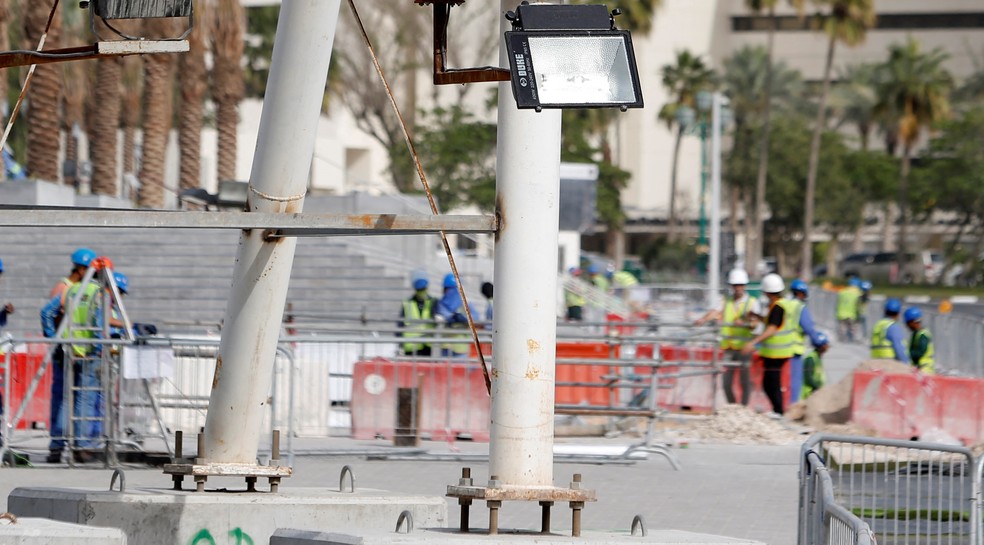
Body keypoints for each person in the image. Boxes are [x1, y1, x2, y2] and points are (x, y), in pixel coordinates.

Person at [41, 247, 96, 463]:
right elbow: (48, 313)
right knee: (66, 397)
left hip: (71, 348)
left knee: (69, 398)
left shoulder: (77, 288)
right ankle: (62, 445)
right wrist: (53, 338)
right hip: (67, 350)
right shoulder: (66, 288)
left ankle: (64, 445)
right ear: (82, 269)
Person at [695, 268, 760, 406]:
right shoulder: (725, 300)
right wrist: (703, 319)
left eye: (740, 285)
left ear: (745, 285)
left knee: (744, 381)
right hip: (729, 348)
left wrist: (744, 324)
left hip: (744, 349)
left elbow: (755, 324)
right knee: (726, 383)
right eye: (735, 285)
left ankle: (743, 409)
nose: (738, 288)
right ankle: (732, 408)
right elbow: (715, 312)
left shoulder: (752, 303)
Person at [741, 273, 797, 416]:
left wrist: (753, 343)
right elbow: (771, 321)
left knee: (771, 384)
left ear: (767, 291)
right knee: (771, 383)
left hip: (776, 352)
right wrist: (758, 316)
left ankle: (778, 412)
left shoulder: (778, 307)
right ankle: (777, 411)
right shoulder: (780, 304)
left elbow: (772, 328)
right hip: (779, 351)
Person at [787, 279, 827, 404]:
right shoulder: (800, 308)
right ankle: (792, 407)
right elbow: (809, 328)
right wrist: (819, 342)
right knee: (795, 381)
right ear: (802, 294)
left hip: (780, 348)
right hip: (794, 351)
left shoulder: (785, 305)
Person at [435, 273, 477, 358]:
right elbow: (441, 315)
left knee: (459, 370)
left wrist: (464, 318)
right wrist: (452, 317)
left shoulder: (465, 302)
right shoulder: (441, 303)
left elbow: (475, 317)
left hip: (460, 347)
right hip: (447, 347)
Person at [397, 275, 437, 357]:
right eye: (419, 290)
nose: (421, 292)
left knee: (426, 369)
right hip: (411, 345)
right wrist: (400, 343)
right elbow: (400, 324)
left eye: (423, 289)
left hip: (427, 345)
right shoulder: (407, 303)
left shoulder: (433, 302)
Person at [869, 298, 909, 363]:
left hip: (875, 361)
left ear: (885, 311)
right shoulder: (893, 327)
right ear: (898, 314)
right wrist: (906, 364)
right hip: (889, 362)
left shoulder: (878, 325)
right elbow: (899, 348)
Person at [903, 307, 934, 374]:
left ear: (912, 322)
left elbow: (920, 352)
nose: (907, 326)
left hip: (924, 369)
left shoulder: (923, 335)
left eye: (908, 323)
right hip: (918, 369)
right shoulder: (916, 334)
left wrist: (906, 354)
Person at [801, 332, 830, 399]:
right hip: (808, 394)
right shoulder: (810, 359)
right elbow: (808, 378)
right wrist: (818, 388)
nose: (827, 346)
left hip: (815, 393)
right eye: (826, 344)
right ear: (821, 345)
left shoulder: (817, 357)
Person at [835, 277, 863, 343]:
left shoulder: (842, 291)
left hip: (841, 313)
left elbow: (838, 302)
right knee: (853, 330)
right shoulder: (859, 293)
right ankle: (854, 342)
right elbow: (859, 305)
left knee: (842, 331)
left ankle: (841, 343)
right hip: (852, 314)